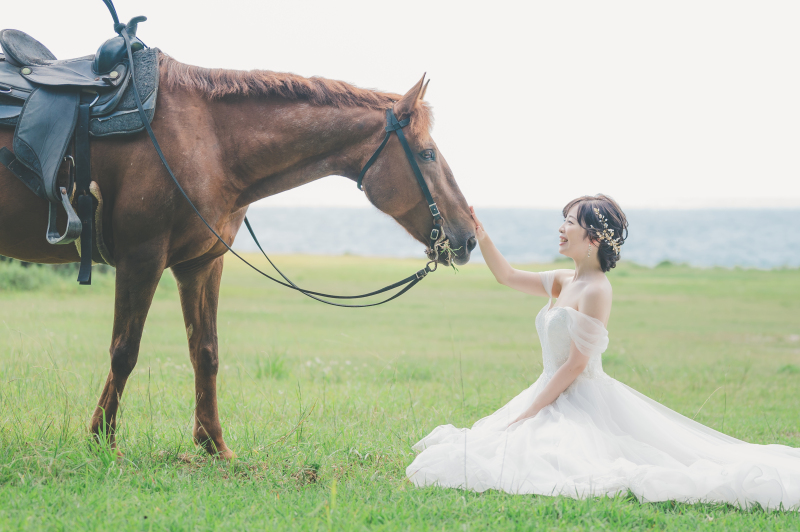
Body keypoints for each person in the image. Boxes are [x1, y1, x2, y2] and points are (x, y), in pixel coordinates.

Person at [406, 194, 800, 510]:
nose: (560, 229)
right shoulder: (564, 280)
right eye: (562, 221)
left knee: (548, 458)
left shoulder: (597, 290)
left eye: (570, 223)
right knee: (495, 446)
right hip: (549, 387)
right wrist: (482, 233)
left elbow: (577, 364)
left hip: (579, 394)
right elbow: (506, 276)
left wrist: (532, 410)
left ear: (594, 237)